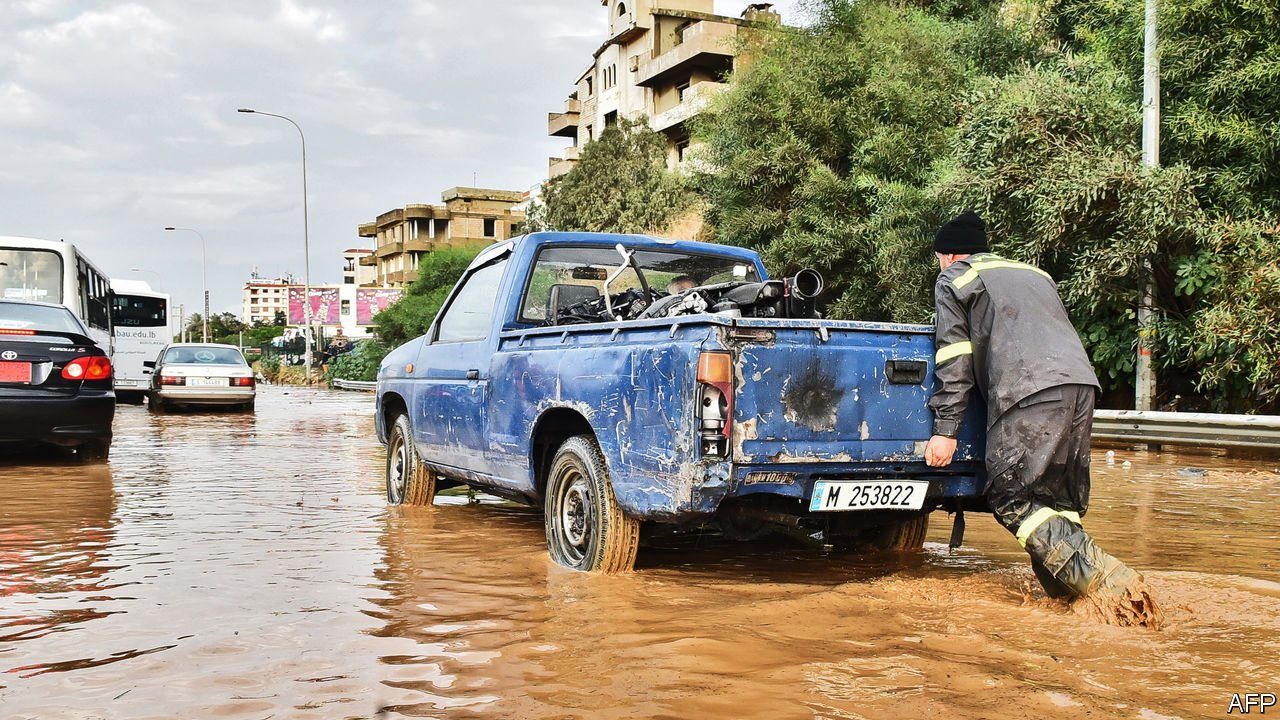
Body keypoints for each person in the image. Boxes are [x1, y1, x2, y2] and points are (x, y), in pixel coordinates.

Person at [923, 210, 1162, 627]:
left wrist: (945, 431)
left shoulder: (954, 278)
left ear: (947, 255)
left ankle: (1113, 587)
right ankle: (1073, 603)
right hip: (1081, 385)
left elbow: (955, 360)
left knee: (1012, 497)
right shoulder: (1035, 274)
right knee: (1058, 501)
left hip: (1028, 390)